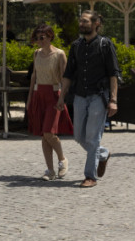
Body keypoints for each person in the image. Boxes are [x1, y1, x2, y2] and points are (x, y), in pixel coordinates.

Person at [57, 10, 120, 188]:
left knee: (92, 137)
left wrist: (113, 99)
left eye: (85, 21)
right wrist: (62, 97)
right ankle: (102, 154)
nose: (81, 24)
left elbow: (113, 74)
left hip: (98, 97)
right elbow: (68, 73)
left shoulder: (105, 45)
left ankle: (90, 176)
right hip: (79, 96)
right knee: (78, 136)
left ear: (96, 24)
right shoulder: (76, 46)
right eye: (80, 21)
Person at [26, 23, 73, 181]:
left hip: (54, 94)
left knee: (48, 132)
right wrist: (30, 98)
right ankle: (50, 170)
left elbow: (64, 78)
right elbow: (34, 76)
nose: (39, 40)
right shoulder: (36, 53)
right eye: (36, 38)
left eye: (42, 37)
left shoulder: (60, 54)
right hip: (39, 94)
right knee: (43, 135)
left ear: (50, 37)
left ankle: (62, 159)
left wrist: (62, 98)